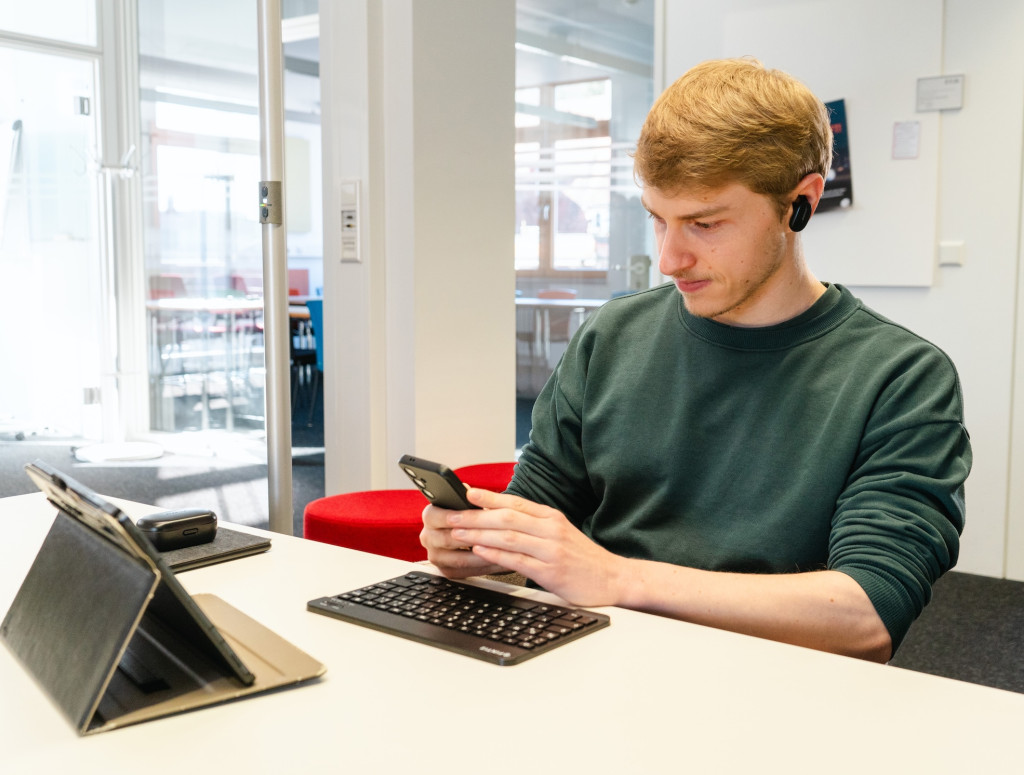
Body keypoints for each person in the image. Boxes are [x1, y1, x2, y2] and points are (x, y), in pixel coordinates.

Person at [420, 58, 971, 663]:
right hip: (590, 668)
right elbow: (539, 509)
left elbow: (868, 612)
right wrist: (482, 546)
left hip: (768, 691)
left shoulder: (902, 377)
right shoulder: (613, 335)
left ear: (800, 204)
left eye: (704, 223)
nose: (669, 258)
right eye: (658, 219)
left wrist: (620, 578)